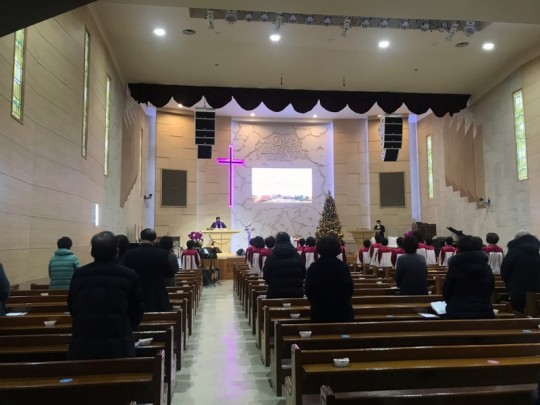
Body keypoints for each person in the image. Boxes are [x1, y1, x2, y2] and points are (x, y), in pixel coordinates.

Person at [67, 231, 143, 360]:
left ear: (92, 252)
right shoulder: (129, 274)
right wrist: (126, 327)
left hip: (84, 341)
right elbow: (136, 309)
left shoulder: (79, 274)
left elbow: (72, 306)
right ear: (116, 251)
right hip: (119, 340)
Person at [124, 228, 176, 312]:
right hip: (157, 295)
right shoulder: (163, 254)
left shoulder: (129, 254)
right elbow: (170, 274)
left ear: (140, 238)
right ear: (155, 239)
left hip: (136, 296)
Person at [443, 235, 495, 319]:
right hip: (483, 312)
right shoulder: (486, 267)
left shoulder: (455, 267)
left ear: (460, 248)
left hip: (457, 312)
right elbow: (490, 289)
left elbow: (447, 291)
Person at [305, 235, 354, 322]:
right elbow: (350, 289)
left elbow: (308, 290)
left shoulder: (313, 268)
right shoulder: (343, 267)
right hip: (342, 312)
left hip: (319, 312)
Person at [501, 231, 540, 313]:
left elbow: (505, 270)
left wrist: (509, 282)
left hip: (517, 287)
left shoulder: (514, 252)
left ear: (517, 239)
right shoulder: (536, 252)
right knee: (534, 311)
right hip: (536, 288)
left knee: (517, 312)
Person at [263, 232, 305, 298]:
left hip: (275, 294)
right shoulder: (298, 256)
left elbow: (266, 276)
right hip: (296, 294)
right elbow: (303, 274)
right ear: (289, 240)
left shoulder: (271, 257)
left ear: (276, 241)